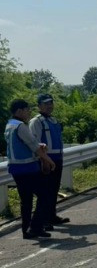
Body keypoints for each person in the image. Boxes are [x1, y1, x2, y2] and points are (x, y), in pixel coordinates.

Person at [4, 99, 57, 238]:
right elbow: (33, 146)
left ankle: (26, 229)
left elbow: (25, 143)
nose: (29, 112)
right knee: (45, 195)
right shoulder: (21, 126)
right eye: (27, 110)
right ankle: (36, 226)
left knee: (26, 200)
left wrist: (39, 145)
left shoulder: (10, 125)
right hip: (27, 168)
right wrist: (49, 160)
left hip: (15, 168)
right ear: (20, 111)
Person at [29, 93, 70, 226]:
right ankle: (44, 219)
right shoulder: (36, 121)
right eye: (45, 104)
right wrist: (43, 160)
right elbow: (34, 143)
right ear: (39, 106)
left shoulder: (53, 120)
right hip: (46, 159)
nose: (49, 106)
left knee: (53, 189)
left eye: (50, 103)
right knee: (46, 191)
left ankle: (51, 216)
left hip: (57, 158)